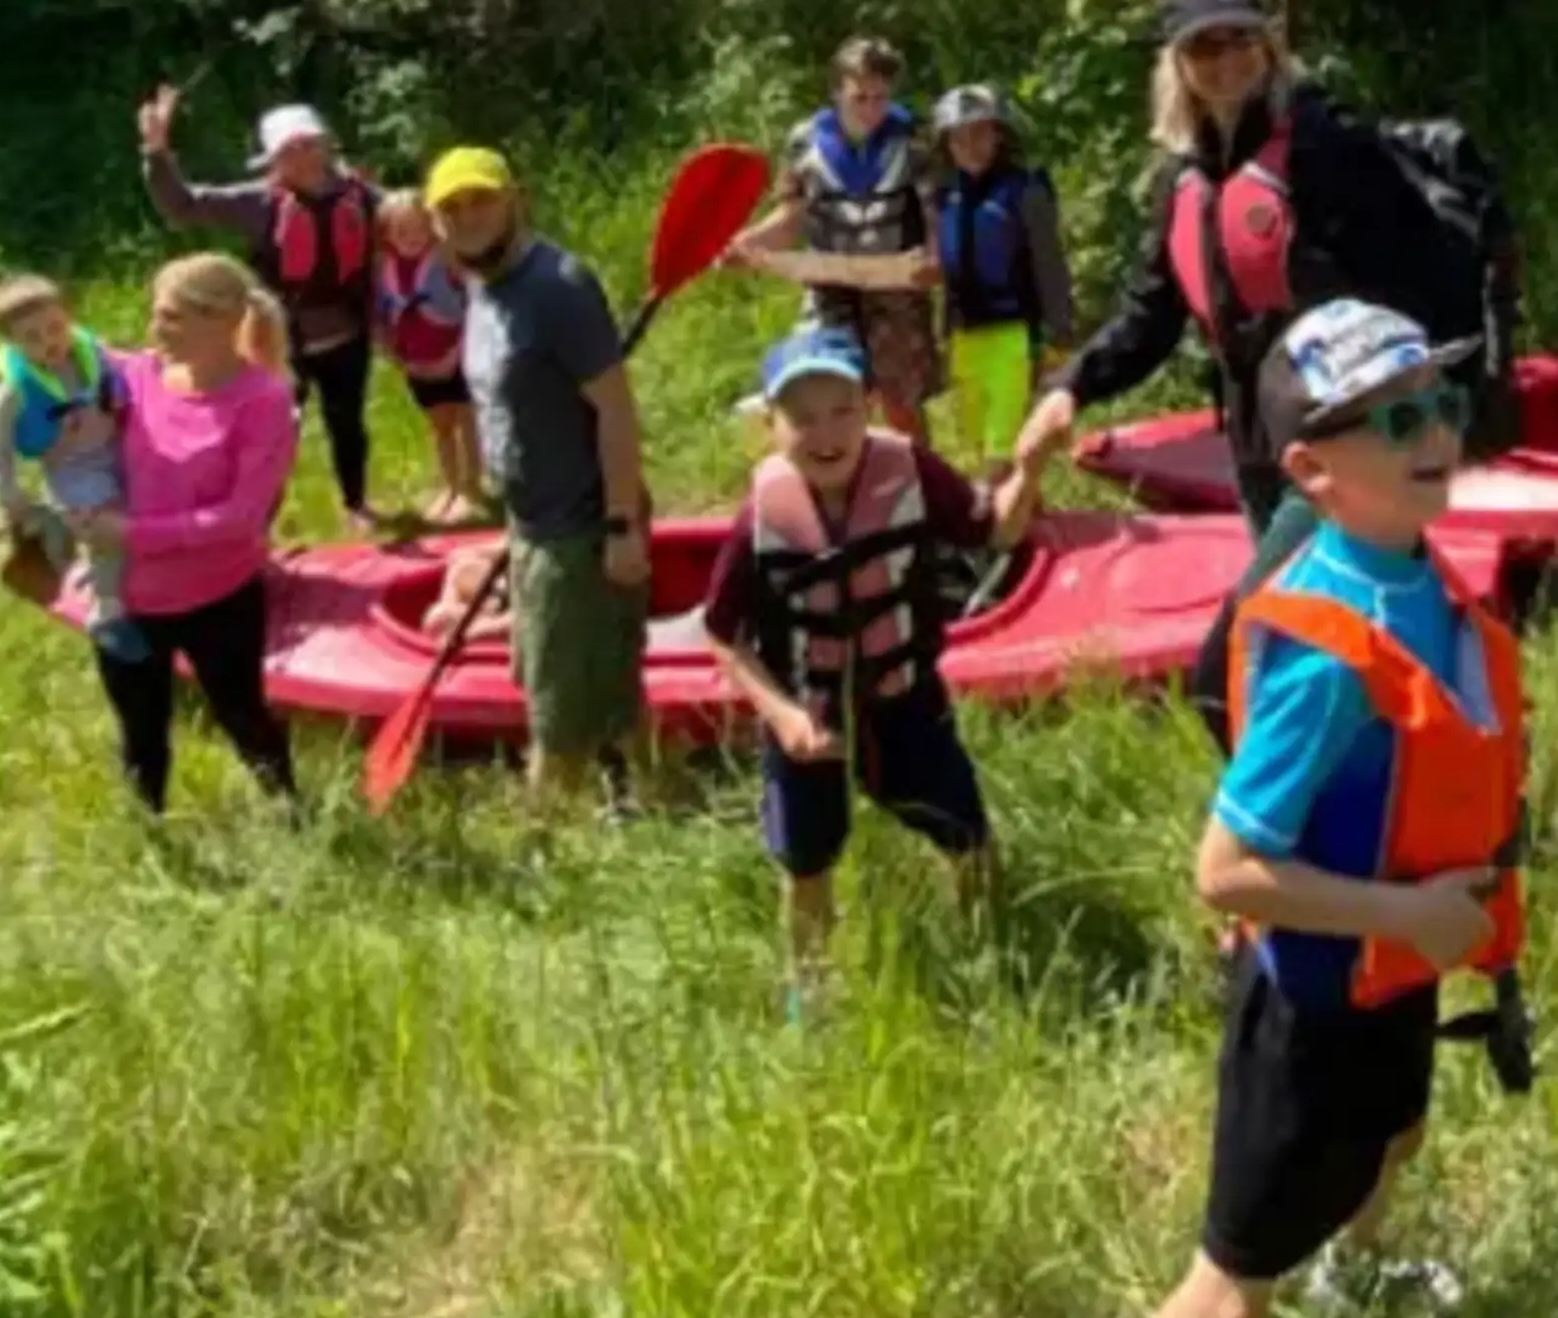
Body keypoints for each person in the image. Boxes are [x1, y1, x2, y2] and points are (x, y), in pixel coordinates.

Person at [1111, 300, 1525, 1318]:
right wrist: (1411, 912)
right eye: (1393, 420)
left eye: (1440, 401)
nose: (1435, 431)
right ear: (1311, 469)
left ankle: (1353, 1267)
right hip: (1308, 1011)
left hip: (1393, 966)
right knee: (1228, 1303)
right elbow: (1225, 869)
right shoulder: (1329, 650)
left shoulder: (1413, 568)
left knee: (1398, 1133)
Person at [1026, 0, 1455, 542]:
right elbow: (1151, 315)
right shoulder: (1182, 180)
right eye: (1205, 44)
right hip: (1255, 436)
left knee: (1311, 601)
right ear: (1178, 63)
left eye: (1240, 38)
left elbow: (1411, 271)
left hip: (1345, 431)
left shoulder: (1327, 143)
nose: (1226, 58)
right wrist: (1071, 386)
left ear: (1269, 46)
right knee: (1290, 606)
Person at [701, 325, 1062, 986]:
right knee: (806, 864)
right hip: (809, 721)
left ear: (869, 406)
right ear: (771, 427)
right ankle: (809, 989)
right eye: (802, 418)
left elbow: (994, 531)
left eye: (842, 410)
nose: (826, 433)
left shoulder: (911, 472)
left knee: (968, 837)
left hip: (906, 700)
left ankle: (989, 959)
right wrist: (781, 716)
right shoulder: (762, 514)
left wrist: (1031, 464)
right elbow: (723, 634)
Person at [428, 144, 653, 799]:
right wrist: (515, 523)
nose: (468, 216)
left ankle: (543, 850)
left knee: (555, 711)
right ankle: (646, 797)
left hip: (582, 525)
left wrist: (619, 526)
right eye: (452, 207)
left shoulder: (558, 287)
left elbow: (615, 411)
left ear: (514, 200)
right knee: (589, 679)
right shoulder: (484, 289)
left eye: (481, 200)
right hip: (533, 523)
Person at [63, 254, 302, 815]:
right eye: (155, 314)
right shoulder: (136, 375)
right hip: (124, 599)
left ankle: (290, 809)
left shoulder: (263, 401)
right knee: (140, 728)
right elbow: (61, 348)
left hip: (217, 597)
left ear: (222, 322)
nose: (154, 330)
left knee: (242, 716)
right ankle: (151, 829)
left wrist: (129, 533)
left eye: (171, 318)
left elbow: (241, 518)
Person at [138, 87, 388, 532]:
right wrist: (157, 152)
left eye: (308, 144)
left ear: (327, 144)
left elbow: (414, 222)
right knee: (267, 433)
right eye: (288, 150)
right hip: (278, 339)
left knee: (347, 422)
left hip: (346, 334)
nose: (302, 156)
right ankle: (255, 516)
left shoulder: (363, 197)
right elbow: (182, 206)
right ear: (272, 161)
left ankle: (356, 504)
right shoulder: (258, 203)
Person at [732, 39, 944, 439]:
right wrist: (748, 243)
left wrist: (936, 256)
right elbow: (792, 217)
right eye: (859, 97)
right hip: (829, 285)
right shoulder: (805, 142)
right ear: (837, 93)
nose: (870, 109)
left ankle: (922, 483)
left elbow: (934, 211)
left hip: (896, 284)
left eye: (880, 98)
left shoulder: (912, 138)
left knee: (900, 400)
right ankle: (836, 485)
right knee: (823, 392)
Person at [0, 273, 143, 662]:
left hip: (118, 448)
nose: (49, 341)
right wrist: (8, 496)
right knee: (106, 523)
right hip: (73, 469)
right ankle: (108, 613)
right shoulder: (15, 390)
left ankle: (151, 575)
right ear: (11, 343)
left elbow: (134, 369)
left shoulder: (91, 353)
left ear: (68, 318)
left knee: (156, 497)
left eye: (55, 328)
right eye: (32, 337)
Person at [927, 83, 1076, 472]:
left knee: (1003, 449)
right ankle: (1025, 516)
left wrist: (1059, 333)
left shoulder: (1025, 190)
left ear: (998, 134)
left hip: (1015, 334)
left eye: (979, 133)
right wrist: (944, 336)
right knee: (980, 443)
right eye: (958, 139)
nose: (970, 146)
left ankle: (1002, 527)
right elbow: (948, 274)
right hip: (965, 337)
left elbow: (1050, 264)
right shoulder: (945, 196)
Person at [372, 187, 483, 527]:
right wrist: (395, 356)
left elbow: (475, 305)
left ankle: (472, 487)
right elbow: (381, 318)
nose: (412, 237)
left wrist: (458, 353)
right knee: (441, 427)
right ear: (387, 234)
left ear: (432, 226)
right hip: (418, 362)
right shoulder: (384, 269)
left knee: (467, 420)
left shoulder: (447, 258)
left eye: (419, 228)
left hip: (457, 355)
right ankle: (449, 486)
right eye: (402, 231)